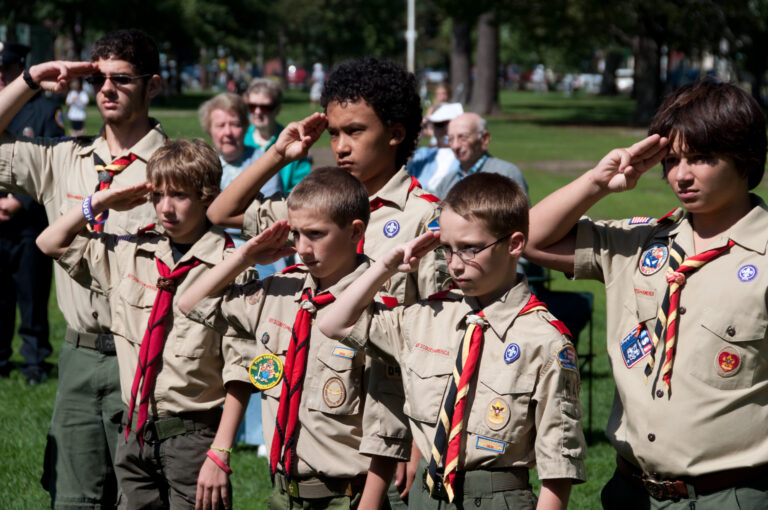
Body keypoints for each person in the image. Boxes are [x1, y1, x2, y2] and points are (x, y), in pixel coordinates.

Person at [206, 56, 449, 505]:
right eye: (334, 132)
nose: (340, 145)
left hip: (384, 437)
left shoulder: (425, 218)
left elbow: (433, 340)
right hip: (315, 421)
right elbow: (222, 213)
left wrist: (416, 443)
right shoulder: (321, 205)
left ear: (395, 133)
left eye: (355, 131)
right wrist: (277, 155)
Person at [524, 80, 768, 509]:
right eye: (672, 160)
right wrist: (597, 182)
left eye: (702, 158)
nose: (681, 175)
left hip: (731, 495)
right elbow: (527, 240)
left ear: (745, 158)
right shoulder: (638, 242)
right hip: (630, 491)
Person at [319, 172, 587, 510]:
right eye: (447, 249)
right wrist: (386, 265)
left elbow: (558, 470)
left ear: (515, 244)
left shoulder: (544, 341)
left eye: (471, 249)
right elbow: (334, 323)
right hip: (425, 496)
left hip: (497, 497)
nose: (456, 265)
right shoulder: (424, 318)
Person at [36, 139, 253, 510]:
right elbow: (50, 242)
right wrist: (100, 202)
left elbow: (242, 368)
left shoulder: (230, 267)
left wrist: (220, 451)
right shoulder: (130, 254)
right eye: (159, 195)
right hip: (134, 433)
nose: (165, 208)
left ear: (206, 196)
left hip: (194, 438)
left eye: (180, 195)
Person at [0, 28, 166, 508]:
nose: (107, 90)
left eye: (122, 79)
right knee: (72, 499)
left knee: (139, 499)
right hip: (76, 357)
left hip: (144, 356)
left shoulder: (177, 168)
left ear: (153, 85)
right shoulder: (63, 159)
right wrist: (32, 77)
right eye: (98, 80)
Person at [179, 167, 409, 509]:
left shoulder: (375, 308)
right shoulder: (279, 293)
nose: (302, 248)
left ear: (355, 231)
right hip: (283, 494)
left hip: (345, 497)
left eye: (315, 235)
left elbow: (387, 423)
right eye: (296, 235)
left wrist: (370, 504)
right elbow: (189, 304)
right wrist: (245, 256)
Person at [198, 91, 284, 453]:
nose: (228, 131)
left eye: (235, 123)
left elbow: (257, 216)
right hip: (215, 259)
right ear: (210, 130)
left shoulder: (261, 162)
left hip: (260, 260)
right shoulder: (204, 165)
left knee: (259, 342)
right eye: (221, 124)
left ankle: (264, 429)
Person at [0, 41, 60, 385]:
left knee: (32, 293)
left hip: (28, 223)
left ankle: (35, 360)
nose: (1, 76)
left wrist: (19, 202)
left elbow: (53, 160)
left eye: (6, 69)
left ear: (20, 67)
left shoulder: (42, 110)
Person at [434, 112, 528, 199]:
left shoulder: (506, 175)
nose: (455, 146)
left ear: (484, 139)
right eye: (450, 139)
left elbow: (523, 216)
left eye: (463, 137)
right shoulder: (447, 182)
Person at [243, 78, 310, 193]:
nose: (257, 112)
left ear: (277, 109)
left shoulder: (293, 142)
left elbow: (303, 188)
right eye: (252, 106)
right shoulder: (240, 139)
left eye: (264, 107)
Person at [406, 102, 463, 194]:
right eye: (440, 124)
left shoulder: (464, 155)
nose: (446, 129)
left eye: (450, 123)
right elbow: (403, 171)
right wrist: (416, 132)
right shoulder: (424, 154)